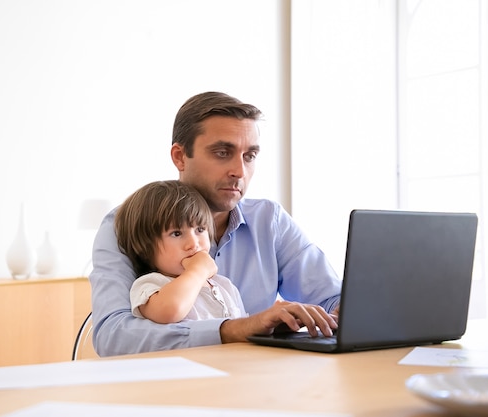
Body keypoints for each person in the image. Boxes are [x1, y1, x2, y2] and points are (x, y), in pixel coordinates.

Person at [89, 91, 341, 356]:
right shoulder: (126, 223)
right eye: (222, 153)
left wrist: (344, 313)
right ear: (179, 156)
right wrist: (234, 330)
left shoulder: (270, 220)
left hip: (254, 382)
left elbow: (331, 298)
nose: (239, 172)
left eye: (250, 156)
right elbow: (112, 337)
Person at [115, 180, 247, 323]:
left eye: (200, 230)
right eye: (176, 234)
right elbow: (170, 310)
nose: (193, 244)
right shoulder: (150, 286)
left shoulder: (225, 286)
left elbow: (241, 329)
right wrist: (198, 271)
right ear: (145, 247)